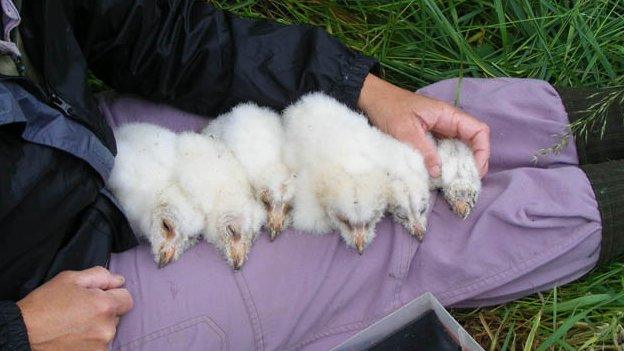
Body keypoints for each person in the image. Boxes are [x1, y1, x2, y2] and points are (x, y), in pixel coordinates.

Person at [0, 0, 620, 350]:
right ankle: (581, 208)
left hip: (73, 146)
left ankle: (581, 122)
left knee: (362, 133)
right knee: (386, 239)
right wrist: (22, 332)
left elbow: (152, 33)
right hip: (55, 293)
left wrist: (362, 89)